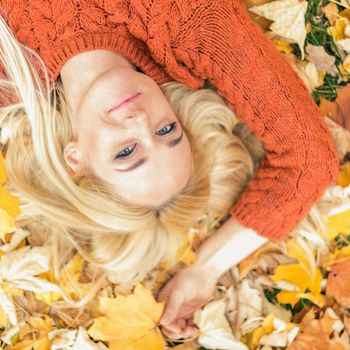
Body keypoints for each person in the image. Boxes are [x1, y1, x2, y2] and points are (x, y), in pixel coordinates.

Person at [0, 0, 339, 340]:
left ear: (75, 159)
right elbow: (310, 160)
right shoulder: (191, 25)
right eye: (166, 131)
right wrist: (207, 267)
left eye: (126, 152)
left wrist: (204, 266)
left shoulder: (9, 73)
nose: (142, 121)